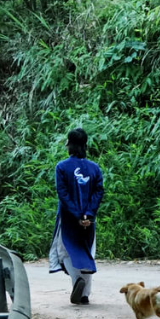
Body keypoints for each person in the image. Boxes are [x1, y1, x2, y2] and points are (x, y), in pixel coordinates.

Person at [49, 128, 104, 305]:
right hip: (90, 219)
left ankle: (76, 281)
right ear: (85, 145)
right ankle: (85, 294)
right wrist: (88, 214)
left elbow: (63, 194)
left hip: (68, 219)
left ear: (69, 145)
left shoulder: (62, 167)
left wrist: (77, 215)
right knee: (87, 251)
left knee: (65, 252)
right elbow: (98, 192)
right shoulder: (95, 168)